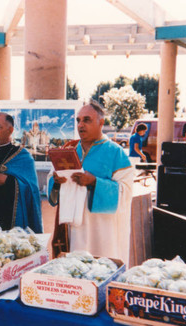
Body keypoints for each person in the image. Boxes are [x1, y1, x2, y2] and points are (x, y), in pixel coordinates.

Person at [47, 101, 133, 265]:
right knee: (74, 269)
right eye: (78, 120)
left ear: (101, 122)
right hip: (73, 228)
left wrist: (95, 182)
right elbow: (52, 180)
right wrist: (56, 182)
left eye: (86, 120)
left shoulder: (115, 153)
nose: (81, 125)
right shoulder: (69, 150)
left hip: (101, 230)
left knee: (101, 269)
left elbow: (126, 192)